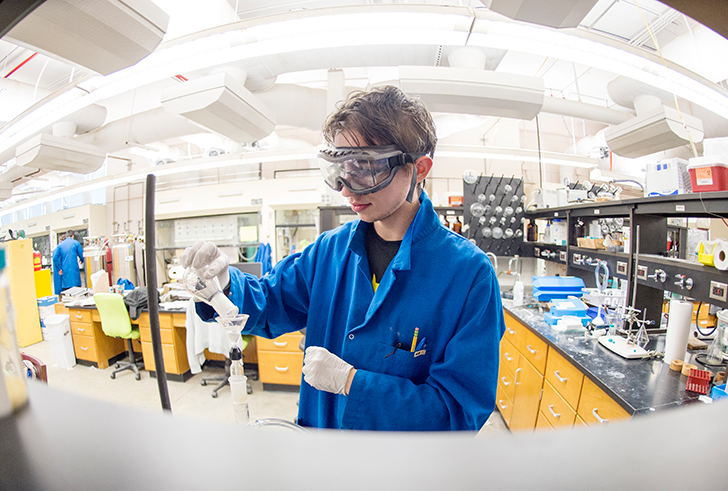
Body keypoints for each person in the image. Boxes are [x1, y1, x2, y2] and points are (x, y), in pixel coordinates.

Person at [184, 86, 505, 431]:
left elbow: (458, 412)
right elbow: (268, 301)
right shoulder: (328, 251)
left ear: (419, 168)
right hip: (321, 450)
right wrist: (225, 285)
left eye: (365, 168)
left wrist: (353, 383)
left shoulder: (469, 274)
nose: (346, 188)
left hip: (401, 474)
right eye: (340, 167)